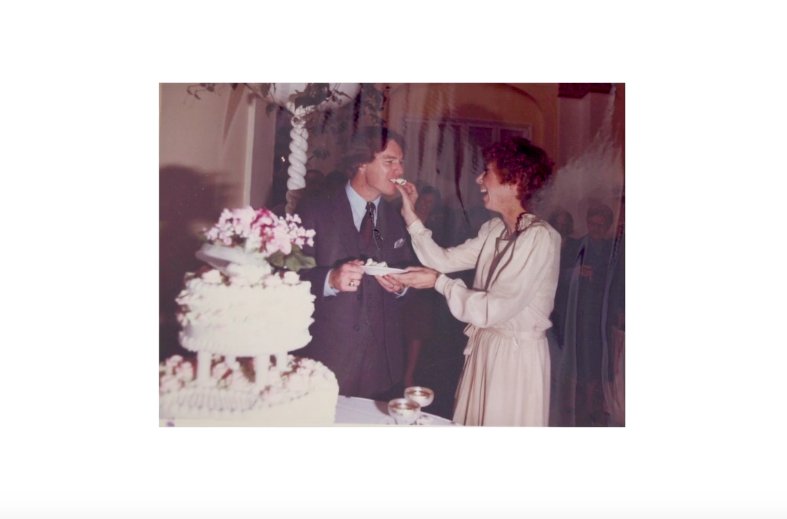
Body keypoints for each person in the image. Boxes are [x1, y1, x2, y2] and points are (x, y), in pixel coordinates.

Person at [392, 137, 561, 426]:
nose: (478, 179)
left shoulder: (540, 238)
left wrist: (440, 283)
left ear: (514, 181)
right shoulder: (494, 229)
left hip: (515, 358)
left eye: (488, 172)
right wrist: (411, 215)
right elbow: (442, 261)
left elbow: (492, 309)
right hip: (486, 347)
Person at [297, 126, 414, 400]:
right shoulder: (315, 209)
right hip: (326, 359)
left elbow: (408, 274)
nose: (399, 170)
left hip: (380, 366)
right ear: (362, 162)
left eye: (401, 162)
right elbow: (286, 277)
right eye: (389, 161)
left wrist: (401, 287)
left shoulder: (398, 218)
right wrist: (329, 280)